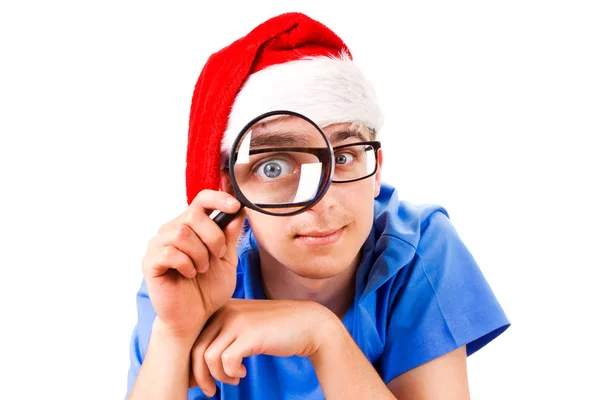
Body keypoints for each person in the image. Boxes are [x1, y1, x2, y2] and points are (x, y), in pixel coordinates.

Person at [126, 11, 510, 399]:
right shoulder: (188, 271)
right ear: (230, 190)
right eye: (274, 167)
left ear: (377, 169)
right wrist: (174, 335)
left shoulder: (419, 248)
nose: (323, 202)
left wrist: (321, 334)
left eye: (343, 157)